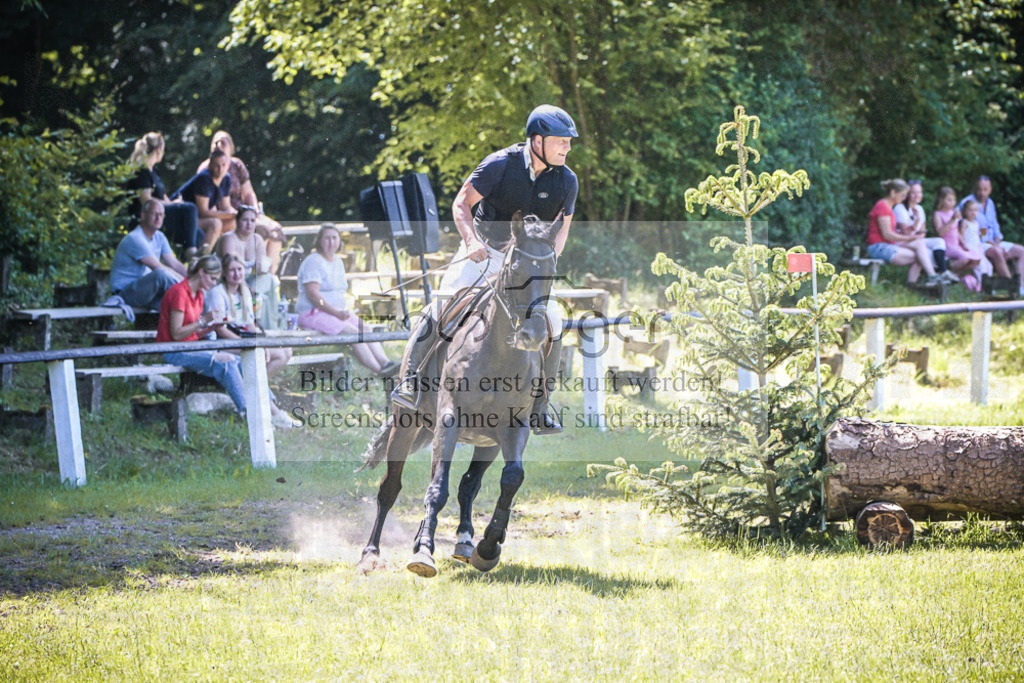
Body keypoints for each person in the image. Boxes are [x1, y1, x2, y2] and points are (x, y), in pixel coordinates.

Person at [393, 104, 579, 434]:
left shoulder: (567, 181)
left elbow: (562, 228)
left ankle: (540, 404)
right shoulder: (499, 165)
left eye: (568, 142)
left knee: (554, 319)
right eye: (561, 141)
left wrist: (547, 258)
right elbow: (461, 203)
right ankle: (409, 383)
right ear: (537, 141)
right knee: (437, 307)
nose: (567, 147)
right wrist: (470, 241)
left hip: (526, 263)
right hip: (484, 251)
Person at [204, 254, 299, 429]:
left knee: (284, 353)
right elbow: (220, 328)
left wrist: (259, 343)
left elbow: (249, 323)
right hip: (224, 341)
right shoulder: (217, 293)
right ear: (224, 272)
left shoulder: (244, 291)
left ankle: (253, 393)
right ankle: (272, 411)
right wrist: (246, 344)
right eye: (232, 270)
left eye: (239, 269)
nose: (236, 274)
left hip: (243, 338)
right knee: (254, 361)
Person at [296, 223, 398, 376]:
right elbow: (314, 296)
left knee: (365, 328)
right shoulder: (313, 261)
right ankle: (380, 371)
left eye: (334, 238)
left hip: (335, 312)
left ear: (339, 240)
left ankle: (386, 363)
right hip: (313, 313)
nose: (331, 242)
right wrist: (337, 313)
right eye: (327, 238)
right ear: (319, 241)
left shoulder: (337, 261)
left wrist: (340, 312)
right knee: (353, 332)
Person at [157, 255, 246, 415]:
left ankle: (270, 410)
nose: (214, 283)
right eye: (212, 278)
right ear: (201, 273)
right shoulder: (179, 292)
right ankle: (247, 411)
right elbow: (176, 334)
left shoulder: (198, 295)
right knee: (226, 362)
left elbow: (193, 333)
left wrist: (212, 327)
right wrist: (204, 320)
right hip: (173, 350)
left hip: (191, 346)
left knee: (246, 362)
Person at [197, 131, 287, 273]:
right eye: (216, 142)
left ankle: (268, 276)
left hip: (243, 212)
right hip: (224, 217)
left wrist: (255, 212)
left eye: (223, 142)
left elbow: (249, 193)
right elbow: (209, 205)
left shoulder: (236, 164)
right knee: (256, 231)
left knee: (275, 229)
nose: (219, 145)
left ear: (231, 147)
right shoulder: (206, 168)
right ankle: (249, 274)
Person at [127, 132, 202, 257]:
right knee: (190, 208)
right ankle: (190, 253)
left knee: (198, 234)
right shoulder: (142, 172)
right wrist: (171, 205)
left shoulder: (154, 171)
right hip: (146, 217)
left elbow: (162, 196)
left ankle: (192, 263)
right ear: (158, 149)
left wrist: (174, 203)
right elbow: (146, 201)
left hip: (159, 213)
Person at [109, 199, 187, 309]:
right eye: (154, 213)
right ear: (143, 215)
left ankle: (202, 320)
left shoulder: (159, 236)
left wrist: (195, 277)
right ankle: (192, 302)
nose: (158, 218)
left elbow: (174, 263)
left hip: (146, 292)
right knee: (161, 274)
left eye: (161, 214)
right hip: (125, 294)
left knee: (177, 304)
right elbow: (159, 269)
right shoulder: (135, 238)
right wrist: (188, 285)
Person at [216, 205, 283, 330]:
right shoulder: (229, 239)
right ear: (237, 221)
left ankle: (272, 327)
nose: (249, 224)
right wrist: (247, 288)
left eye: (252, 221)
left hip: (246, 279)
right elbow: (230, 268)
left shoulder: (257, 239)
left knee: (268, 280)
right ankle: (254, 326)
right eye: (245, 220)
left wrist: (265, 267)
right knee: (256, 293)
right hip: (227, 279)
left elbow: (260, 270)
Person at [865, 179, 941, 287]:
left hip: (887, 244)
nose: (904, 198)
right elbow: (887, 234)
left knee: (919, 247)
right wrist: (909, 238)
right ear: (893, 193)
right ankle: (920, 281)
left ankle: (928, 278)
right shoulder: (883, 206)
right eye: (902, 195)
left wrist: (914, 227)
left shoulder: (888, 206)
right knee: (919, 256)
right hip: (878, 247)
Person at [959, 176, 1024, 295]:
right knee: (997, 252)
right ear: (974, 188)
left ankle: (1021, 286)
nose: (982, 193)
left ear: (990, 189)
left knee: (1021, 251)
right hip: (978, 243)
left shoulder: (990, 203)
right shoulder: (966, 203)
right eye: (979, 189)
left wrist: (997, 242)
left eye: (985, 189)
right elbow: (960, 224)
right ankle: (1012, 286)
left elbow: (995, 226)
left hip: (994, 242)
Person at [892, 180, 957, 284]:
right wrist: (917, 221)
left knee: (939, 241)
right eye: (913, 192)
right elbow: (906, 233)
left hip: (916, 240)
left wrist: (917, 234)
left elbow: (923, 232)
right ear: (907, 194)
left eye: (919, 192)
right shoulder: (900, 208)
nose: (917, 195)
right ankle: (931, 277)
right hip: (902, 241)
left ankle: (942, 272)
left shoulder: (920, 208)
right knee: (926, 252)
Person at [174, 148, 236, 253]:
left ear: (228, 165)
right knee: (215, 223)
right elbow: (203, 212)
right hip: (183, 216)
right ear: (210, 165)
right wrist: (230, 215)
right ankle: (203, 260)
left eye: (223, 165)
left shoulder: (226, 179)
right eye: (217, 165)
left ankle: (226, 260)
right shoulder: (204, 179)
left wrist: (237, 214)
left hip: (196, 218)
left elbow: (226, 207)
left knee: (233, 222)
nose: (220, 169)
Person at [932, 186, 984, 285]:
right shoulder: (938, 214)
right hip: (946, 245)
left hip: (956, 244)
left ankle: (954, 275)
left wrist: (963, 243)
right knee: (965, 258)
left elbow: (957, 231)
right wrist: (952, 220)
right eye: (949, 200)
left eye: (954, 200)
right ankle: (945, 271)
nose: (953, 202)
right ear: (941, 200)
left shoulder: (953, 212)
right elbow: (940, 233)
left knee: (976, 259)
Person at [958, 200, 994, 292]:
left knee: (989, 266)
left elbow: (975, 236)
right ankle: (981, 287)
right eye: (970, 210)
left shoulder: (976, 223)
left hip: (977, 247)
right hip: (970, 247)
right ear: (965, 211)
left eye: (975, 210)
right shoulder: (965, 222)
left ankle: (988, 285)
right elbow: (961, 235)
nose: (973, 212)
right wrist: (964, 245)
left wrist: (982, 235)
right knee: (980, 268)